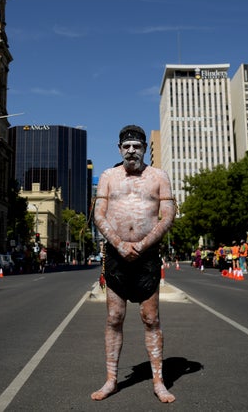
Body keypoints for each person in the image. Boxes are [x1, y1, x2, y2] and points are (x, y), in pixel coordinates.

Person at [91, 125, 177, 403]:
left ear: (143, 149)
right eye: (126, 146)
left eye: (136, 146)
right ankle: (111, 380)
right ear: (119, 149)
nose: (131, 151)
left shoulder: (158, 176)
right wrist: (119, 244)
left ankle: (159, 381)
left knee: (150, 318)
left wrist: (140, 246)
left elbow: (167, 216)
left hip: (147, 256)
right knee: (114, 318)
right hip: (116, 256)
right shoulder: (107, 176)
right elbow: (98, 215)